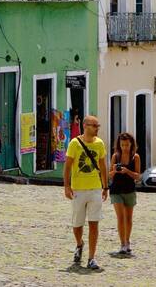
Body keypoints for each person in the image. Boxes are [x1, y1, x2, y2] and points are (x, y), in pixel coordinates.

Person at [64, 115, 108, 270]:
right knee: (77, 224)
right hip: (78, 189)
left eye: (98, 126)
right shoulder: (74, 144)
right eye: (94, 126)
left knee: (94, 223)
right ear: (85, 126)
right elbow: (68, 166)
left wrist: (105, 186)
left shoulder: (100, 144)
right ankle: (79, 244)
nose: (97, 129)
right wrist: (67, 186)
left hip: (95, 188)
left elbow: (103, 166)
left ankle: (92, 257)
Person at [108, 133, 140, 257]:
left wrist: (127, 171)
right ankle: (122, 244)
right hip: (116, 190)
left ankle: (127, 241)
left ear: (131, 144)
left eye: (127, 144)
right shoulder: (115, 156)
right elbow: (109, 175)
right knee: (120, 217)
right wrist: (114, 171)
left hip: (129, 190)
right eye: (122, 145)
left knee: (128, 218)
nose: (124, 147)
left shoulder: (135, 157)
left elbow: (138, 176)